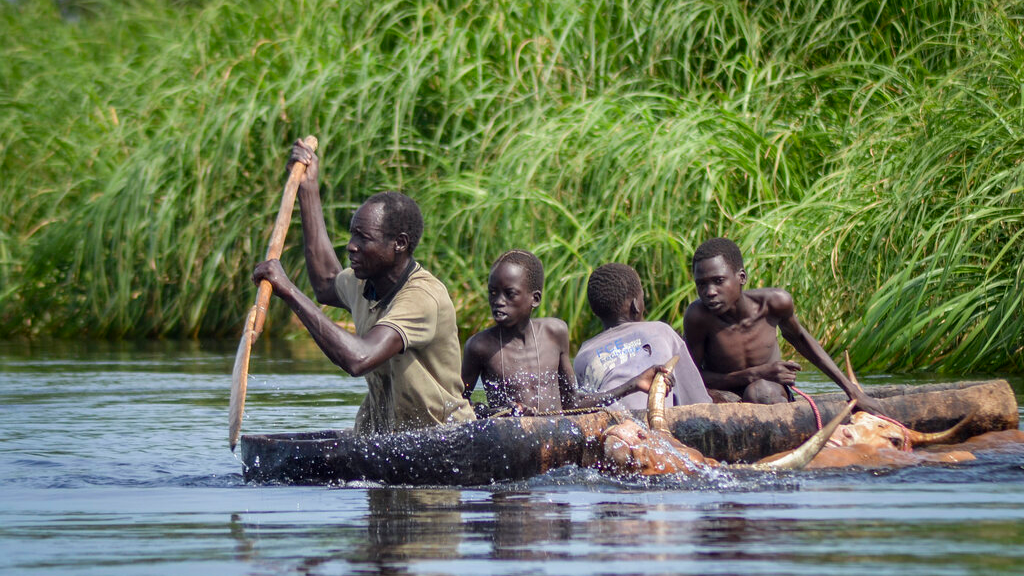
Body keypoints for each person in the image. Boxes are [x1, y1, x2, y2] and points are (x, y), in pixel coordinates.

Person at [251, 139, 475, 435]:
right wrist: (309, 190)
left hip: (444, 438)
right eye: (352, 235)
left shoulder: (422, 297)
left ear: (399, 244)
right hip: (383, 437)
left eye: (363, 239)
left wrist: (289, 291)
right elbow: (326, 282)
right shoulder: (363, 282)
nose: (351, 247)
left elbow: (359, 359)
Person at [682, 237, 886, 415]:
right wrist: (758, 372)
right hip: (725, 393)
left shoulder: (774, 304)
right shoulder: (698, 317)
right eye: (702, 284)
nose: (709, 292)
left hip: (770, 391)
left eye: (718, 281)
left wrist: (852, 391)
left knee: (760, 391)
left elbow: (805, 344)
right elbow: (692, 377)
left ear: (741, 278)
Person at [461, 250, 668, 416]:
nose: (498, 302)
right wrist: (499, 412)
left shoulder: (554, 333)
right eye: (493, 293)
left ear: (535, 299)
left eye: (509, 294)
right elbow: (462, 407)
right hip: (513, 446)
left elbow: (573, 402)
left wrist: (633, 385)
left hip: (557, 441)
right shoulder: (480, 347)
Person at [574, 263, 711, 411]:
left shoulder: (583, 355)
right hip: (655, 425)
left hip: (610, 428)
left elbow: (582, 406)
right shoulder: (661, 331)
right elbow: (698, 403)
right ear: (636, 305)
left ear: (595, 312)